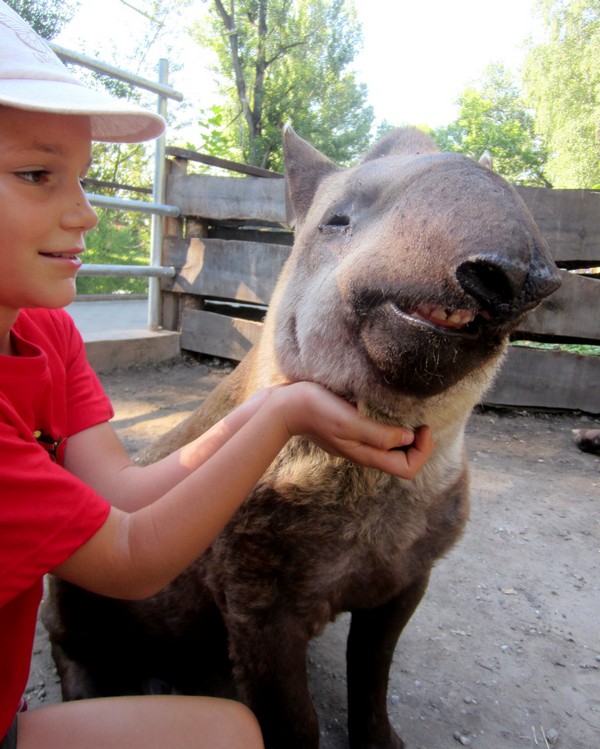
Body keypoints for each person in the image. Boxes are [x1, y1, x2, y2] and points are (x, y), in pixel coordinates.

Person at [0, 3, 434, 748]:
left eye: (82, 179)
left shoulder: (47, 333)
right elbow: (132, 558)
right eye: (37, 175)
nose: (86, 214)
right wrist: (282, 416)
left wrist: (278, 405)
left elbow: (123, 491)